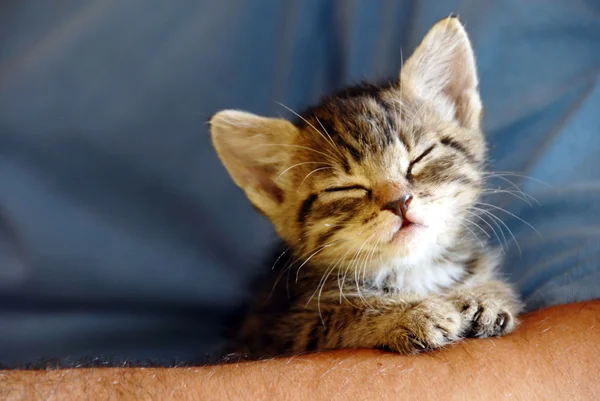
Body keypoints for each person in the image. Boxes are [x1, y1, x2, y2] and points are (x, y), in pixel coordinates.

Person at [1, 1, 599, 397]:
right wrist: (387, 320)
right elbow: (290, 338)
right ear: (272, 191)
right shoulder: (315, 305)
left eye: (419, 163)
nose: (397, 197)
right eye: (343, 190)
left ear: (460, 111)